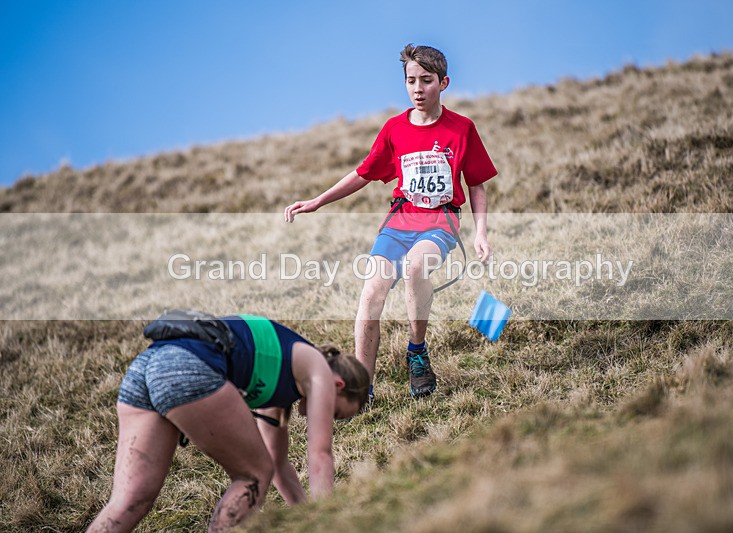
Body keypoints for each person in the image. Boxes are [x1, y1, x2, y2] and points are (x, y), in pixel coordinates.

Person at [284, 44, 497, 400]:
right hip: (398, 222)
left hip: (439, 221)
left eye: (426, 81)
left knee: (416, 268)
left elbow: (477, 184)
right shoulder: (394, 129)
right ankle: (360, 386)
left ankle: (416, 352)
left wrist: (481, 234)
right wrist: (318, 201)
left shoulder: (462, 129)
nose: (417, 88)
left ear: (444, 83)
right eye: (411, 80)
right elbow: (363, 173)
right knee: (371, 293)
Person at [88, 310, 369, 533]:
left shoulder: (282, 385)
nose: (319, 417)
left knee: (130, 500)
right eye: (336, 413)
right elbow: (319, 454)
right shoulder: (317, 367)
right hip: (187, 365)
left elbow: (279, 465)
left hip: (148, 365)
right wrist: (330, 523)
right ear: (338, 384)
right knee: (252, 476)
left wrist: (308, 517)